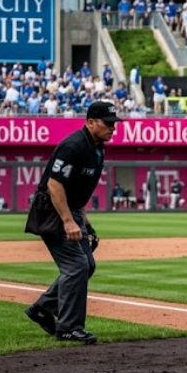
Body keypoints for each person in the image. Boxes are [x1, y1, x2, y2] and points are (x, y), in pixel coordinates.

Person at [23, 100, 118, 345]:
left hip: (71, 210)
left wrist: (84, 221)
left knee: (88, 265)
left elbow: (76, 191)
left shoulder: (97, 147)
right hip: (52, 212)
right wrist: (68, 221)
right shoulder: (73, 145)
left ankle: (42, 308)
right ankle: (68, 327)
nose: (112, 128)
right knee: (76, 266)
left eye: (114, 124)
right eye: (108, 124)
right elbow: (55, 185)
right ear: (90, 122)